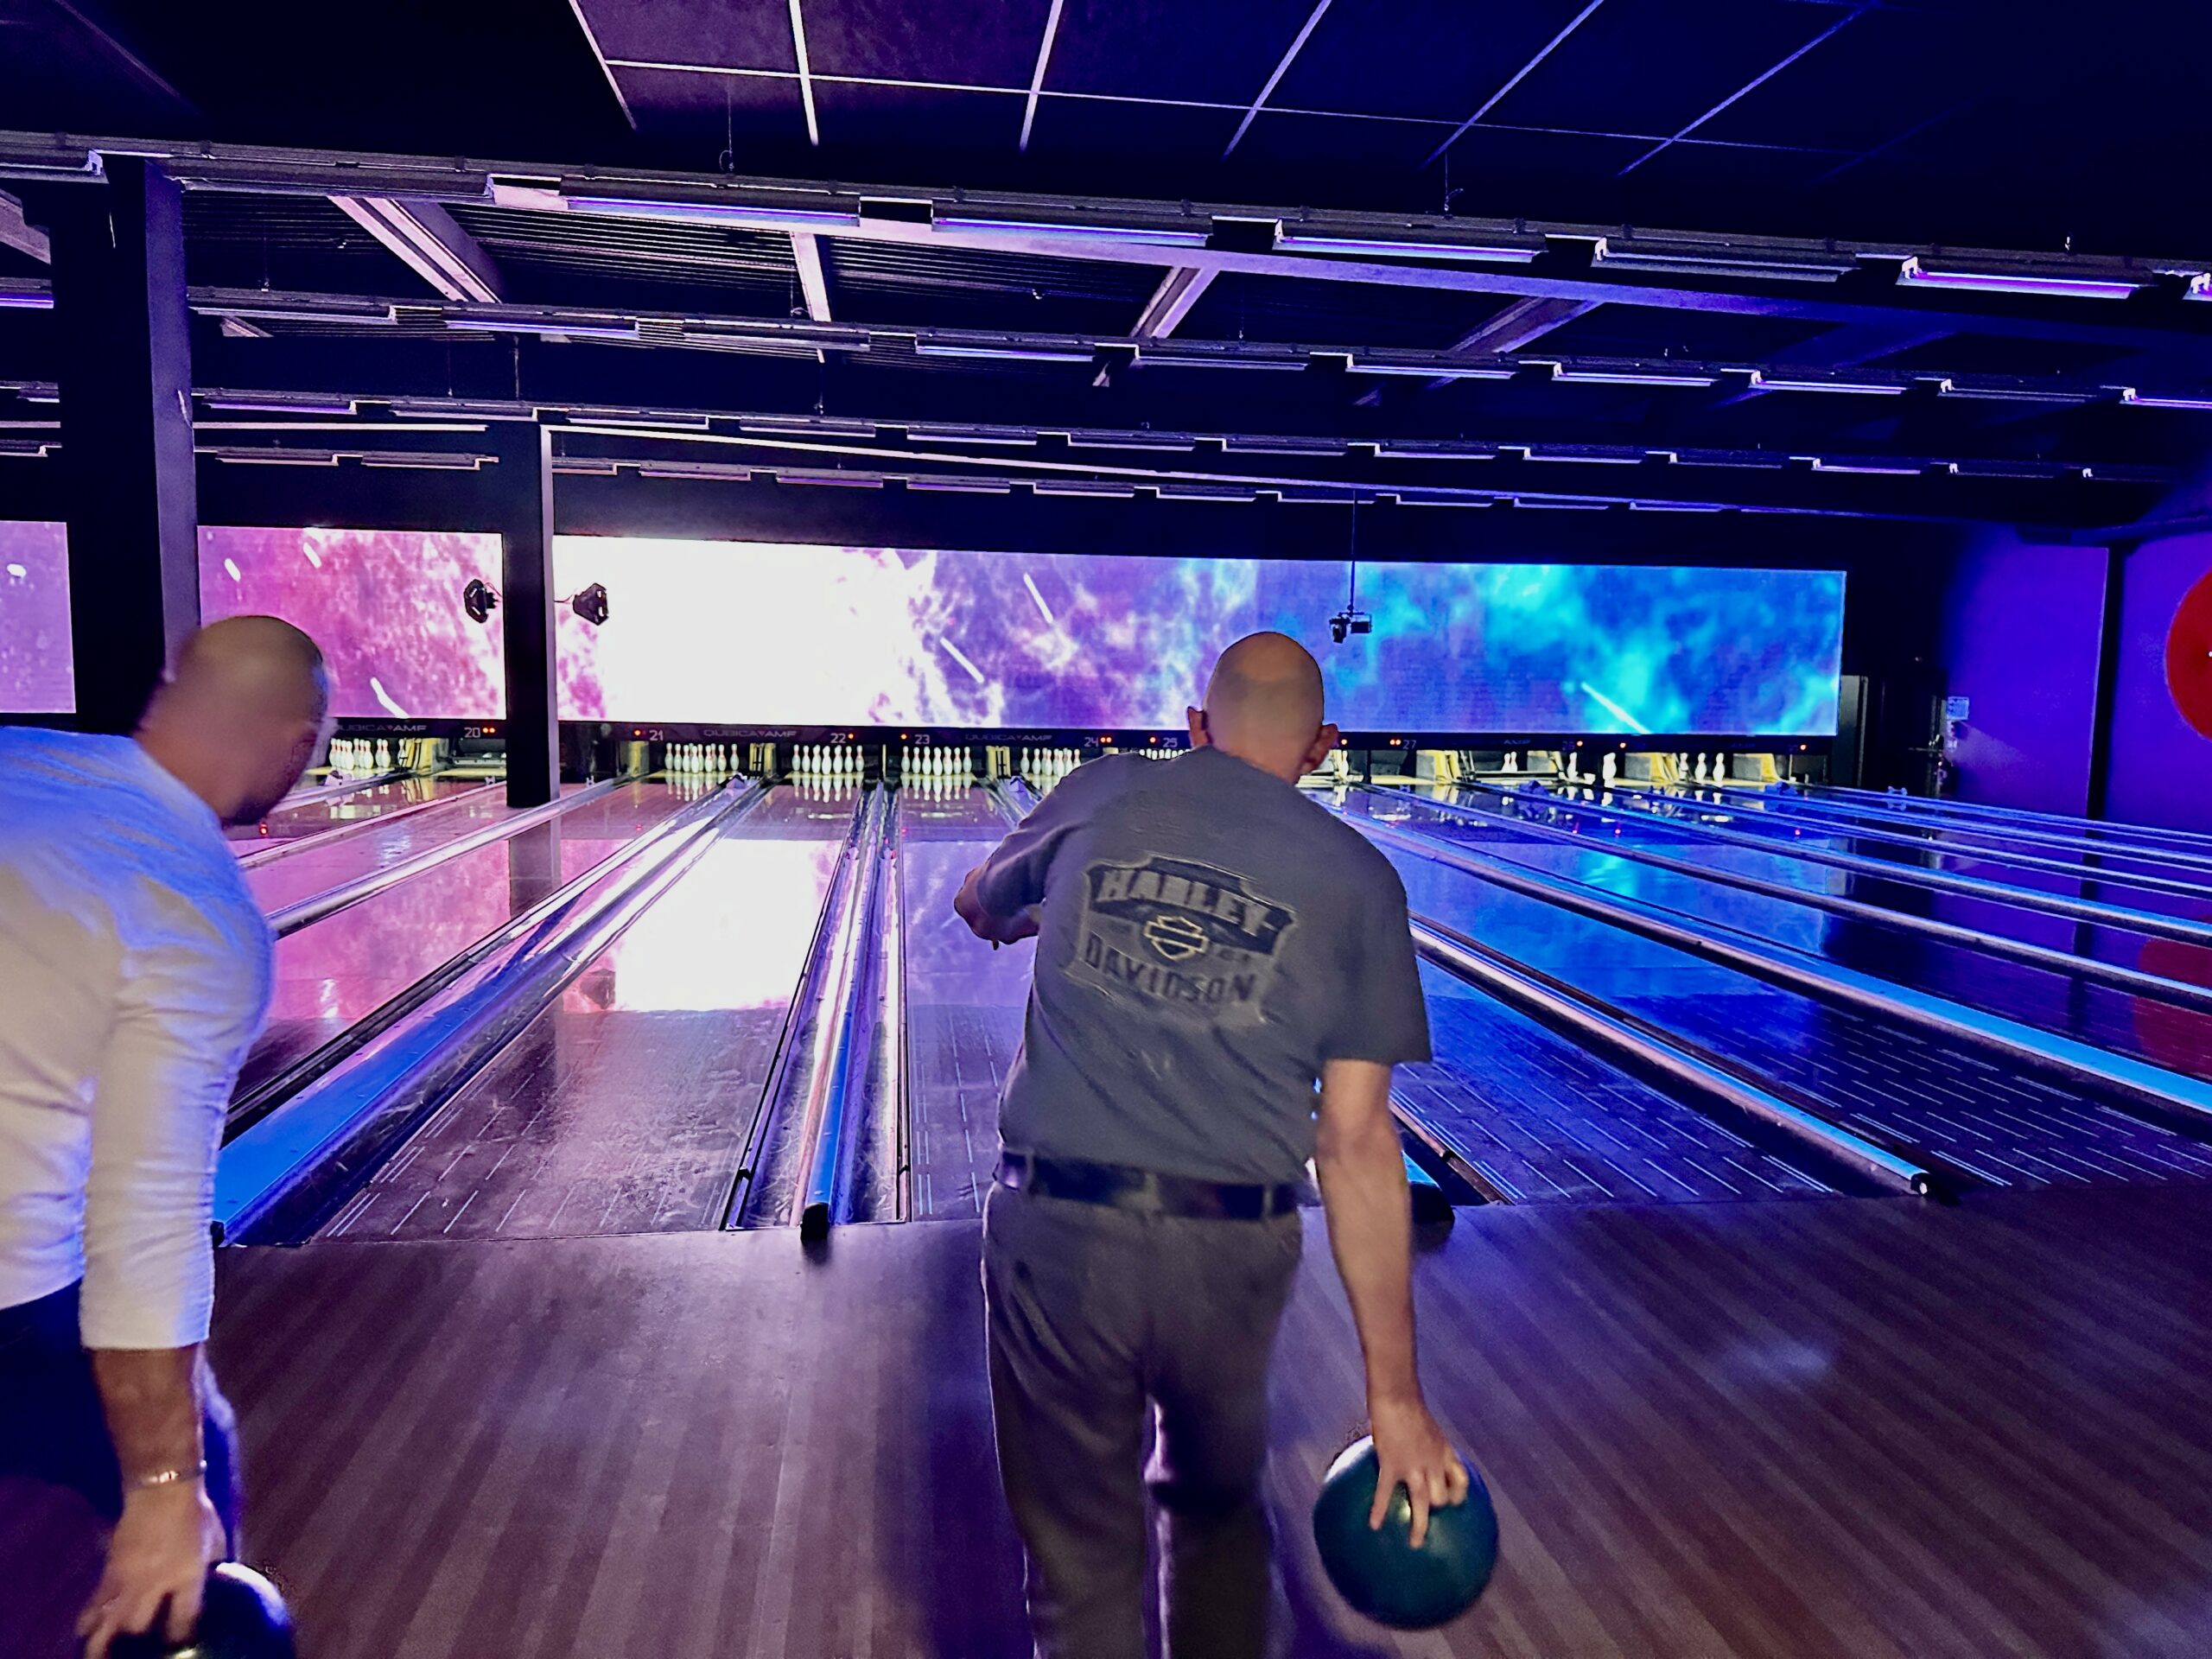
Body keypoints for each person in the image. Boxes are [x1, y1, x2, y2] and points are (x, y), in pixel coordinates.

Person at [955, 631, 1469, 1658]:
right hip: (1229, 1251)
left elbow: (978, 901)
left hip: (1057, 1233)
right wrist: (1395, 1401)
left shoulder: (1103, 791)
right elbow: (1359, 1145)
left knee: (1080, 1561)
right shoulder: (1359, 881)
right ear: (1324, 745)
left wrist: (1037, 915)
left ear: (1193, 728)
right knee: (1215, 1513)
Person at [0, 616, 329, 1658]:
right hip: (15, 1290)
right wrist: (160, 1488)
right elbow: (144, 1223)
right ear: (292, 744)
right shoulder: (194, 911)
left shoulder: (17, 755)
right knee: (192, 1467)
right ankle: (171, 1600)